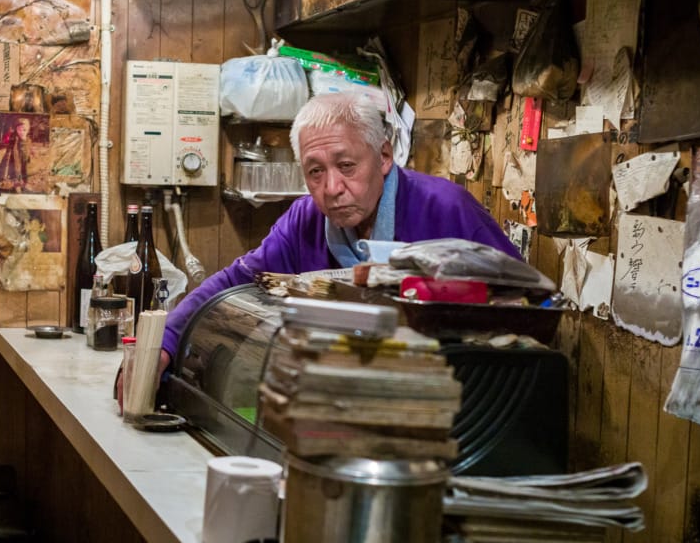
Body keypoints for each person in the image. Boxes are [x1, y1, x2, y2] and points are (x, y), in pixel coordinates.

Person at [159, 91, 520, 371]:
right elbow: (235, 282)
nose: (332, 187)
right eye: (315, 172)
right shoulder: (304, 219)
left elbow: (523, 304)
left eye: (347, 166)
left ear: (382, 156)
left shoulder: (446, 208)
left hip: (455, 403)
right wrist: (166, 342)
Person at [0, 116, 34, 192]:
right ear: (16, 129)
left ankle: (23, 184)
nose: (21, 132)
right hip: (15, 162)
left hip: (25, 161)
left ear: (28, 130)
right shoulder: (14, 139)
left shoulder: (28, 140)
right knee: (17, 175)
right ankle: (17, 186)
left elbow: (29, 150)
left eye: (24, 130)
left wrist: (31, 154)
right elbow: (8, 149)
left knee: (25, 174)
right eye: (19, 129)